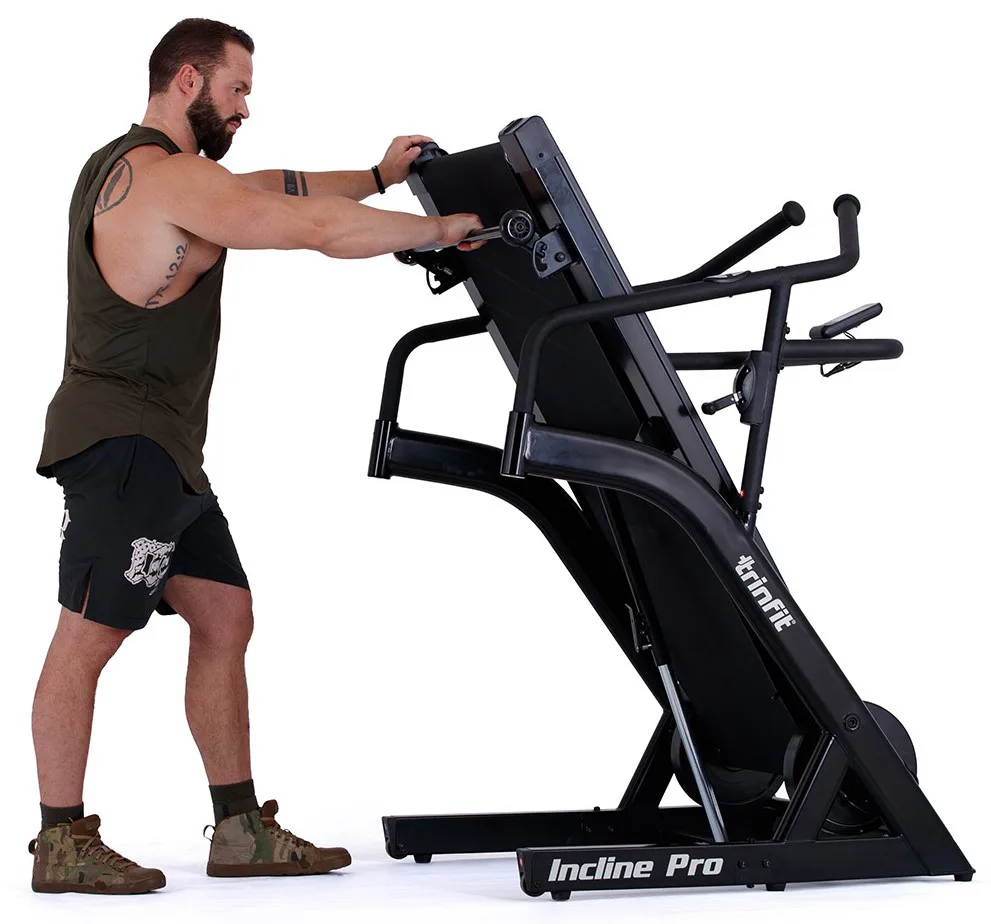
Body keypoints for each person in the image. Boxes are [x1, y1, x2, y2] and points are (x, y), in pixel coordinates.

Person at [29, 17, 484, 895]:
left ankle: (239, 830)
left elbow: (279, 185)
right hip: (121, 445)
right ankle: (59, 841)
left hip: (165, 449)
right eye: (236, 88)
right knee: (88, 636)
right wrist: (435, 231)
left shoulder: (149, 170)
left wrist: (380, 176)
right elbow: (307, 223)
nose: (245, 106)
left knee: (225, 615)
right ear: (188, 81)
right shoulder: (164, 178)